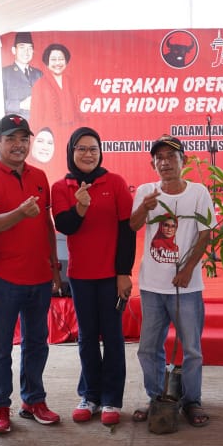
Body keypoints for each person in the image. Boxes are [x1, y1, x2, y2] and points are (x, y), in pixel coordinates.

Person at [0, 114, 62, 434]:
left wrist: (53, 266)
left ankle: (33, 400)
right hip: (3, 277)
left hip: (39, 276)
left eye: (24, 139)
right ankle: (0, 406)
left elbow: (46, 226)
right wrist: (20, 213)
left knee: (37, 343)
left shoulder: (40, 176)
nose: (18, 145)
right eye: (11, 139)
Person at [52, 127, 136, 426]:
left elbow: (127, 230)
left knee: (113, 337)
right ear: (71, 152)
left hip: (111, 276)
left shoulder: (114, 183)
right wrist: (81, 207)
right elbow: (65, 226)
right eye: (81, 149)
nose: (88, 154)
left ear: (101, 152)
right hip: (80, 276)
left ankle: (112, 399)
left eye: (93, 148)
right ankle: (89, 395)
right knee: (87, 338)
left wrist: (124, 273)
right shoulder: (62, 187)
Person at [129, 135, 215, 428]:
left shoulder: (199, 193)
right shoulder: (145, 191)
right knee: (148, 348)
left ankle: (192, 401)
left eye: (171, 157)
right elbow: (133, 225)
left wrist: (189, 268)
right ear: (152, 163)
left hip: (186, 287)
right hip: (152, 286)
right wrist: (144, 206)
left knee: (191, 348)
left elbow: (206, 233)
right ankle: (155, 397)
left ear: (184, 161)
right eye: (159, 158)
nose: (165, 162)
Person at [2, 31, 43, 115]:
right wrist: (20, 105)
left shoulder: (38, 74)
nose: (26, 52)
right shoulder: (4, 73)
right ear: (14, 50)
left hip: (38, 125)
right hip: (15, 125)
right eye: (22, 47)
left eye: (30, 48)